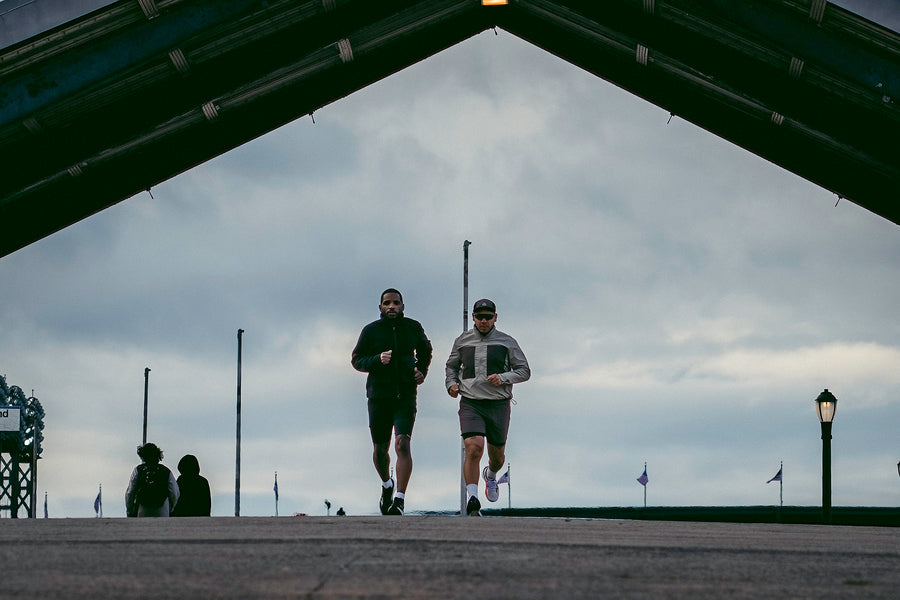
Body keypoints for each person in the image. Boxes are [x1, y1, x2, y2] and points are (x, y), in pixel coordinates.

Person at [445, 299, 530, 516]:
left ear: (495, 318)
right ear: (473, 317)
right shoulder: (462, 341)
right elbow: (451, 367)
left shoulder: (507, 342)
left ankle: (490, 476)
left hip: (498, 404)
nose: (483, 321)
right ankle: (473, 499)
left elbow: (524, 371)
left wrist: (503, 377)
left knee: (497, 457)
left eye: (488, 317)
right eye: (480, 317)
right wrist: (451, 384)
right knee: (474, 447)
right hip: (471, 402)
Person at [352, 288, 432, 516]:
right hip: (379, 396)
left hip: (405, 395)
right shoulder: (371, 331)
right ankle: (387, 484)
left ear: (402, 306)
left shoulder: (413, 327)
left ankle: (399, 499)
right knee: (380, 449)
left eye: (396, 303)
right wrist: (377, 359)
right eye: (387, 303)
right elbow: (357, 359)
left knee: (402, 444)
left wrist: (421, 370)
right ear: (380, 307)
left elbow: (426, 350)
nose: (392, 307)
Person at [125, 442, 180, 517]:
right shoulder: (166, 471)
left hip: (143, 508)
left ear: (143, 456)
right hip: (162, 509)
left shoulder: (138, 470)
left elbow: (130, 492)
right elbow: (174, 492)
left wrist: (129, 510)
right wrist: (171, 508)